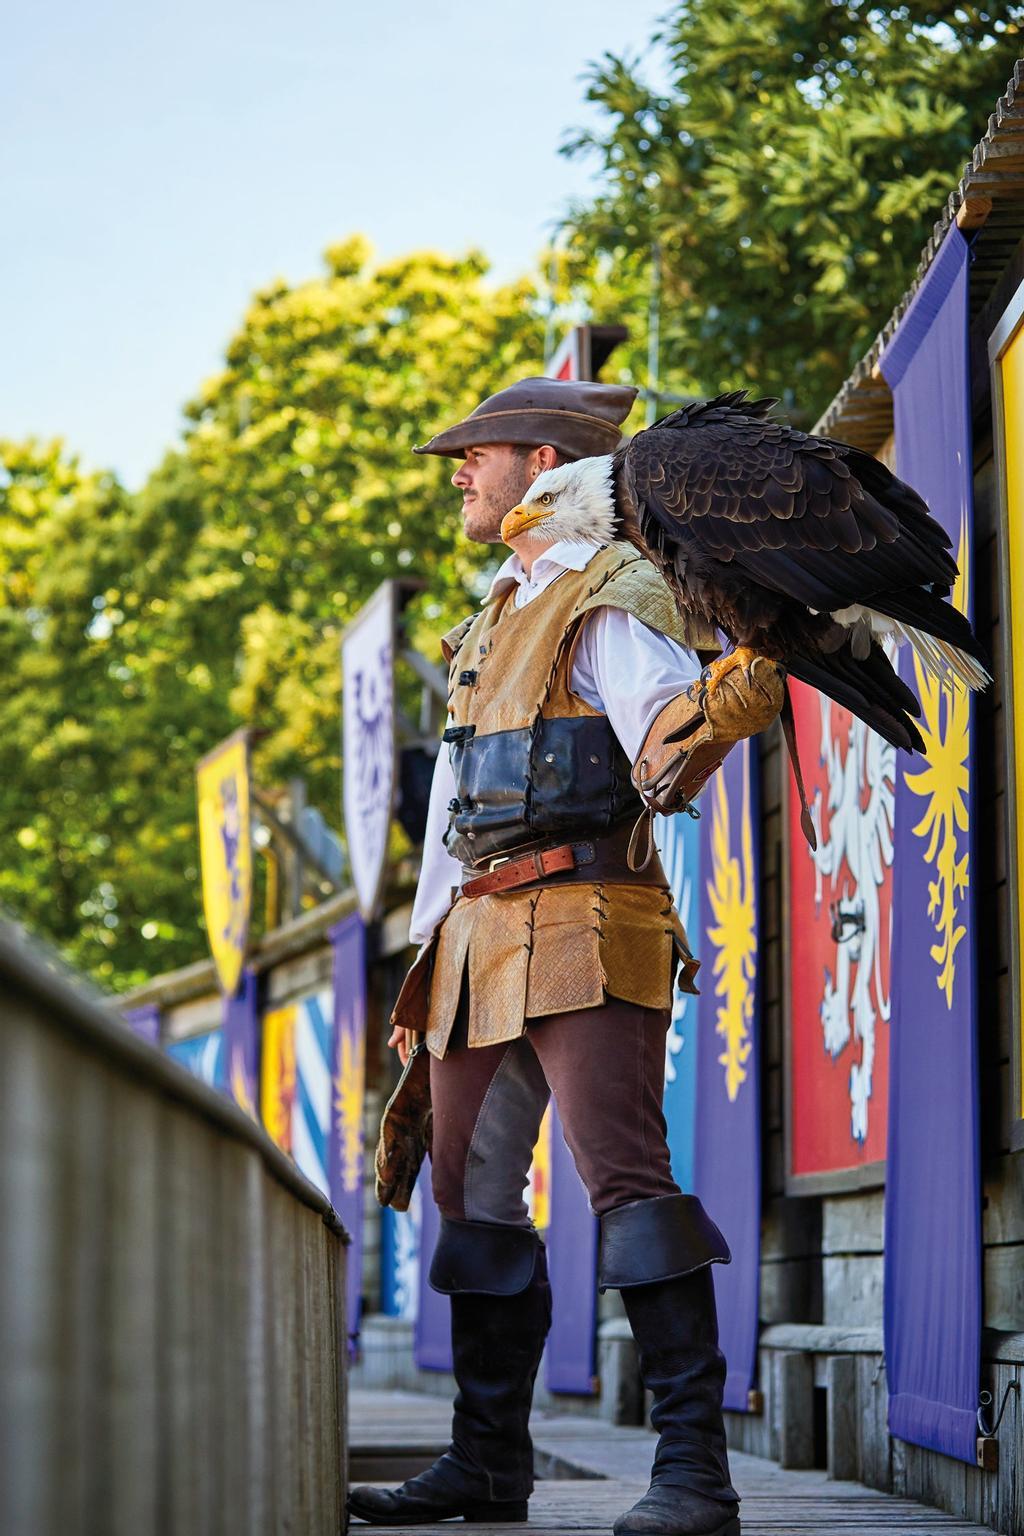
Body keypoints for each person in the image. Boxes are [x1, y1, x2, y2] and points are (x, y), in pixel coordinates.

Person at [348, 378, 781, 1536]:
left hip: (588, 918)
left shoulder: (610, 595)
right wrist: (422, 967)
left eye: (472, 455)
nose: (457, 474)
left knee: (629, 1190)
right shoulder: (491, 616)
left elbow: (665, 750)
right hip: (476, 937)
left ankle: (695, 1476)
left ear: (540, 461)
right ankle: (489, 1467)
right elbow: (453, 813)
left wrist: (730, 695)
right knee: (471, 1203)